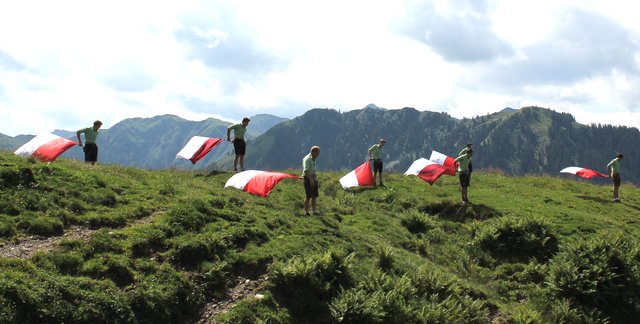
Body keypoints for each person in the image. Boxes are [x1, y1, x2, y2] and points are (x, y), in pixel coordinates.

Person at [302, 146, 320, 216]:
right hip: (308, 178)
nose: (318, 155)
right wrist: (310, 180)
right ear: (313, 152)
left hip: (313, 177)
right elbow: (306, 170)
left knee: (314, 195)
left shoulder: (313, 158)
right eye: (317, 153)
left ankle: (314, 211)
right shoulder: (307, 159)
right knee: (308, 196)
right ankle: (306, 212)